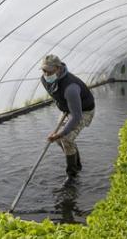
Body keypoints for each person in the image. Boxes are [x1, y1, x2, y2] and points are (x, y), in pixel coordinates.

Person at [40, 55, 95, 183]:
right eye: (44, 71)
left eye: (50, 71)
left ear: (58, 68)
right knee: (61, 141)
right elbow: (56, 95)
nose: (46, 74)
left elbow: (76, 116)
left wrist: (61, 133)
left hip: (84, 110)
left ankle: (72, 174)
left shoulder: (71, 87)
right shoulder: (44, 79)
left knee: (65, 138)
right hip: (68, 109)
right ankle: (77, 164)